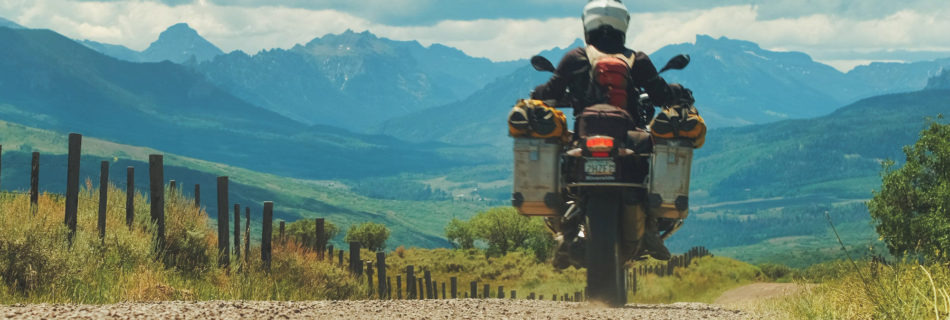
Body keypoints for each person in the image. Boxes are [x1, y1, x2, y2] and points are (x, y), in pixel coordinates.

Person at [531, 0, 690, 264]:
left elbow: (550, 92)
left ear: (588, 24)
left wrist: (537, 94)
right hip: (628, 137)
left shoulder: (575, 58)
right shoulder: (636, 59)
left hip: (583, 138)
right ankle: (650, 228)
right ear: (623, 24)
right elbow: (661, 93)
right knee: (650, 160)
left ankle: (564, 234)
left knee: (561, 168)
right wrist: (677, 91)